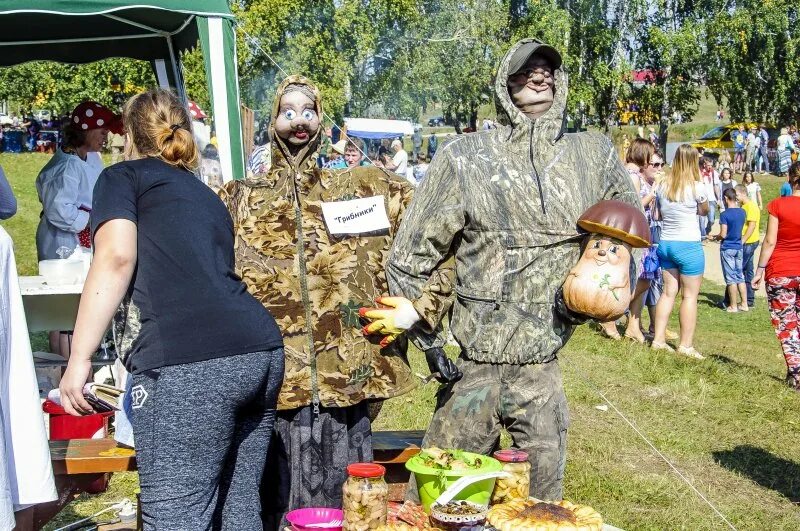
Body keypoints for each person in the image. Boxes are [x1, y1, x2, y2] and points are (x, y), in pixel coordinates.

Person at [384, 39, 640, 501]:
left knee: (539, 508)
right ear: (505, 84)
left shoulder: (591, 155)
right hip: (472, 371)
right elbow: (408, 257)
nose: (539, 76)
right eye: (525, 70)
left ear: (560, 82)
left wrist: (599, 297)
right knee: (439, 501)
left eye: (548, 69)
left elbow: (630, 237)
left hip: (542, 369)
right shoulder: (465, 157)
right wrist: (429, 341)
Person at [218, 76, 448, 529]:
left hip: (349, 380)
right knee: (275, 509)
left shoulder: (366, 187)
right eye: (288, 110)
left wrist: (422, 307)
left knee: (351, 508)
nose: (299, 120)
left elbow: (442, 228)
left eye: (309, 110)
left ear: (323, 119)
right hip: (273, 382)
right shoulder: (241, 199)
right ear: (272, 120)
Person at [59, 88, 284, 530]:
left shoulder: (121, 177)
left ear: (129, 135)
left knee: (175, 517)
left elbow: (116, 258)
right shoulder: (205, 195)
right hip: (260, 349)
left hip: (190, 364)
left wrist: (79, 358)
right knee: (236, 510)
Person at [35, 101, 114, 261]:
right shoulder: (67, 167)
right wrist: (95, 218)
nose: (106, 135)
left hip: (83, 236)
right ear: (86, 131)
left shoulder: (90, 156)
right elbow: (59, 210)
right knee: (71, 281)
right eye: (102, 131)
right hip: (63, 242)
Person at [651, 144, 709, 359]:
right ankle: (685, 345)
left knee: (668, 292)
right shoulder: (697, 187)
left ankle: (658, 339)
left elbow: (658, 214)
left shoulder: (664, 185)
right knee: (690, 296)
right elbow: (704, 211)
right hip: (688, 244)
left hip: (666, 243)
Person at [752, 166, 800, 391]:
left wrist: (760, 269)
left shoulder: (778, 205)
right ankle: (794, 373)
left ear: (790, 179)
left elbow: (770, 241)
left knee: (787, 324)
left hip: (780, 271)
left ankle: (797, 374)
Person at [714, 188, 747, 312]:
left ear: (726, 198)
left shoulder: (725, 214)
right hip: (738, 246)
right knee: (740, 276)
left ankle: (733, 306)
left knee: (731, 278)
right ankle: (744, 304)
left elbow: (723, 234)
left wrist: (715, 237)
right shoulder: (742, 212)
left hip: (727, 247)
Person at [699, 157, 720, 240]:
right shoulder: (700, 173)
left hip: (711, 199)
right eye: (708, 165)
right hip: (702, 199)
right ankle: (703, 235)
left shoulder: (714, 173)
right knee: (702, 219)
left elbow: (716, 186)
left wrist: (718, 198)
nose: (710, 167)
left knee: (711, 220)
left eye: (711, 165)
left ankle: (707, 231)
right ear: (704, 165)